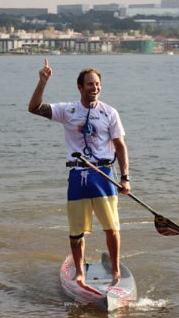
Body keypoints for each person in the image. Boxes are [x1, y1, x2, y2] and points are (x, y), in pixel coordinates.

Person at [28, 58, 130, 289]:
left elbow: (121, 147)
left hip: (104, 174)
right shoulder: (68, 110)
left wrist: (125, 178)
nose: (94, 88)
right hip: (78, 175)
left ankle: (115, 271)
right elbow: (33, 108)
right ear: (80, 87)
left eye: (97, 84)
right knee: (76, 231)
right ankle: (79, 274)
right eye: (90, 84)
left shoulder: (110, 113)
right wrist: (42, 82)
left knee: (112, 228)